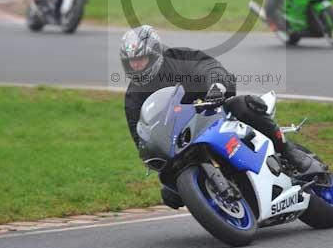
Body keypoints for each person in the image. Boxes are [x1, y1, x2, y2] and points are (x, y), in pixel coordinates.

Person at [120, 25, 311, 208]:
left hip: (211, 111)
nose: (136, 66)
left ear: (154, 55)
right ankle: (216, 200)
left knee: (243, 105)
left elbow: (209, 67)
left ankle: (288, 150)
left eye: (141, 59)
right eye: (131, 62)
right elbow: (142, 137)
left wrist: (216, 85)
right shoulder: (133, 98)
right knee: (170, 193)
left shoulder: (180, 58)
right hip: (182, 139)